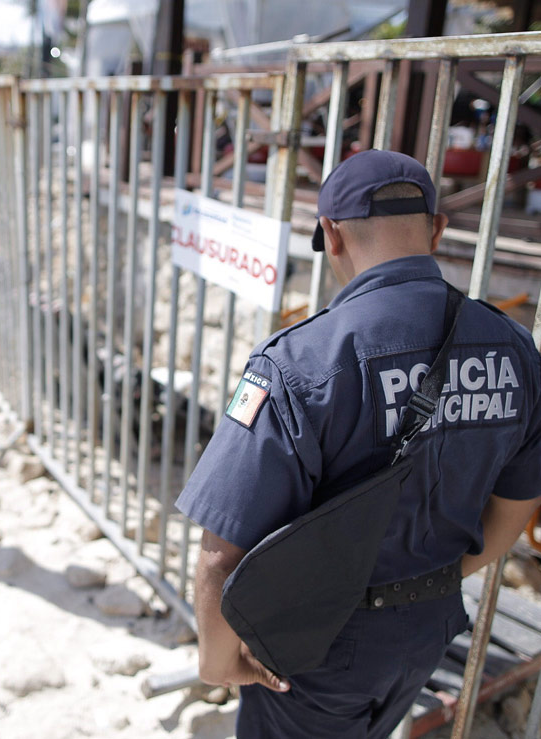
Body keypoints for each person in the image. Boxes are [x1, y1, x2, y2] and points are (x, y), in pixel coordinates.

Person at [176, 149, 541, 739]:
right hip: (430, 627)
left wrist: (219, 663)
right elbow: (521, 497)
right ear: (438, 230)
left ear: (330, 234)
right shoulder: (513, 347)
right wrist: (440, 577)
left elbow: (222, 552)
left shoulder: (300, 361)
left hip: (316, 639)